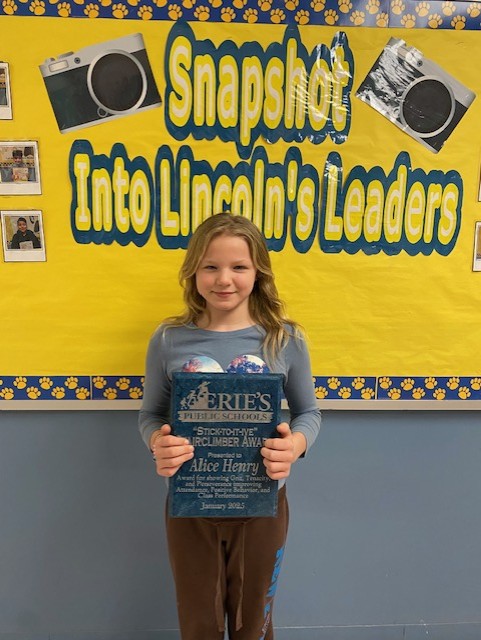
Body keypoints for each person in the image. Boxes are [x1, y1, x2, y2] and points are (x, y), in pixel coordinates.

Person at [139, 213, 321, 640]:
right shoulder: (168, 339)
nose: (224, 279)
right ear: (193, 272)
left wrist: (293, 446)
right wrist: (155, 443)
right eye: (210, 266)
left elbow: (309, 413)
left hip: (261, 505)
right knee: (198, 625)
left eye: (239, 266)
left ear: (258, 272)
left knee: (252, 624)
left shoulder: (285, 338)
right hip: (189, 505)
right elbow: (150, 415)